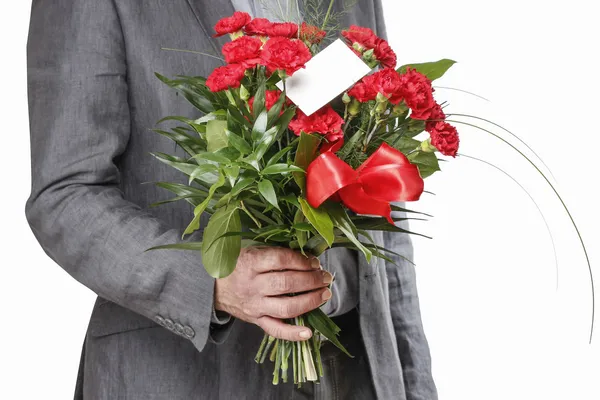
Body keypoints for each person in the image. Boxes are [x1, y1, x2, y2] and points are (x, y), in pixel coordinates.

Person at [26, 0, 437, 399]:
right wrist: (211, 281)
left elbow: (384, 204)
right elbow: (66, 195)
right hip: (179, 373)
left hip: (350, 373)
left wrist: (414, 385)